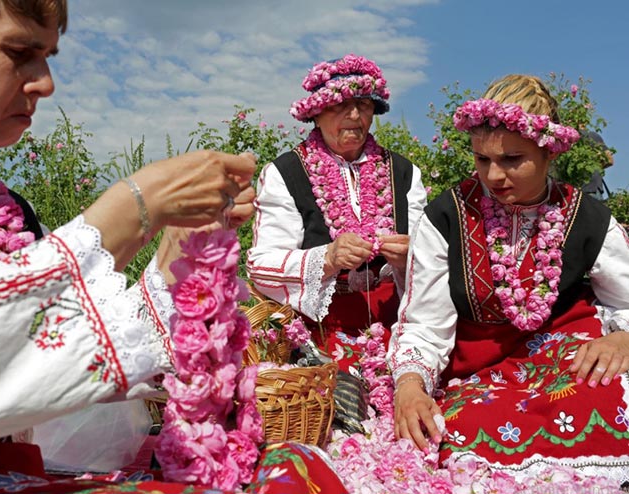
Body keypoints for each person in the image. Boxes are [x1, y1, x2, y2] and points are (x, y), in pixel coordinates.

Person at [0, 2, 349, 493]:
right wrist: (133, 208)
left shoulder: (4, 210)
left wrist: (178, 248)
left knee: (292, 470)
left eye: (47, 56)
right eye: (20, 51)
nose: (45, 83)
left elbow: (47, 363)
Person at [387, 74, 629, 485]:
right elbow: (425, 325)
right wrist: (410, 386)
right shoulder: (447, 217)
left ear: (548, 153)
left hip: (564, 361)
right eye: (483, 160)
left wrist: (622, 338)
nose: (494, 176)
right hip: (478, 372)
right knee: (457, 429)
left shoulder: (587, 217)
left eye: (512, 160)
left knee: (615, 392)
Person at [247, 54, 427, 375]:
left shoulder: (404, 172)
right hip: (317, 334)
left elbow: (434, 261)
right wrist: (327, 258)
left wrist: (409, 257)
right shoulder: (284, 173)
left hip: (396, 325)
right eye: (339, 105)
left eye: (364, 104)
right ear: (316, 113)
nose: (355, 115)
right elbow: (261, 267)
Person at [581, 130, 614, 200]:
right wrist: (594, 166)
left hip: (584, 189)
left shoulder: (565, 137)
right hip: (591, 188)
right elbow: (609, 160)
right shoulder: (592, 135)